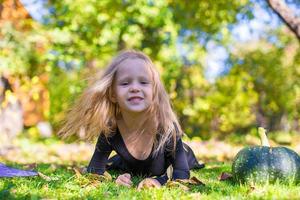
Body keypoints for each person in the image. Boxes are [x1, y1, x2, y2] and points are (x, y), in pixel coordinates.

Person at [59, 50, 204, 189]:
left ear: (154, 91)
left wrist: (158, 180)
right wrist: (117, 179)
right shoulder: (111, 129)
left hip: (182, 155)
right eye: (125, 83)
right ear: (113, 94)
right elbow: (94, 171)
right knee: (117, 164)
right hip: (128, 163)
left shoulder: (166, 127)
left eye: (143, 82)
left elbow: (181, 174)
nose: (135, 88)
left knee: (185, 159)